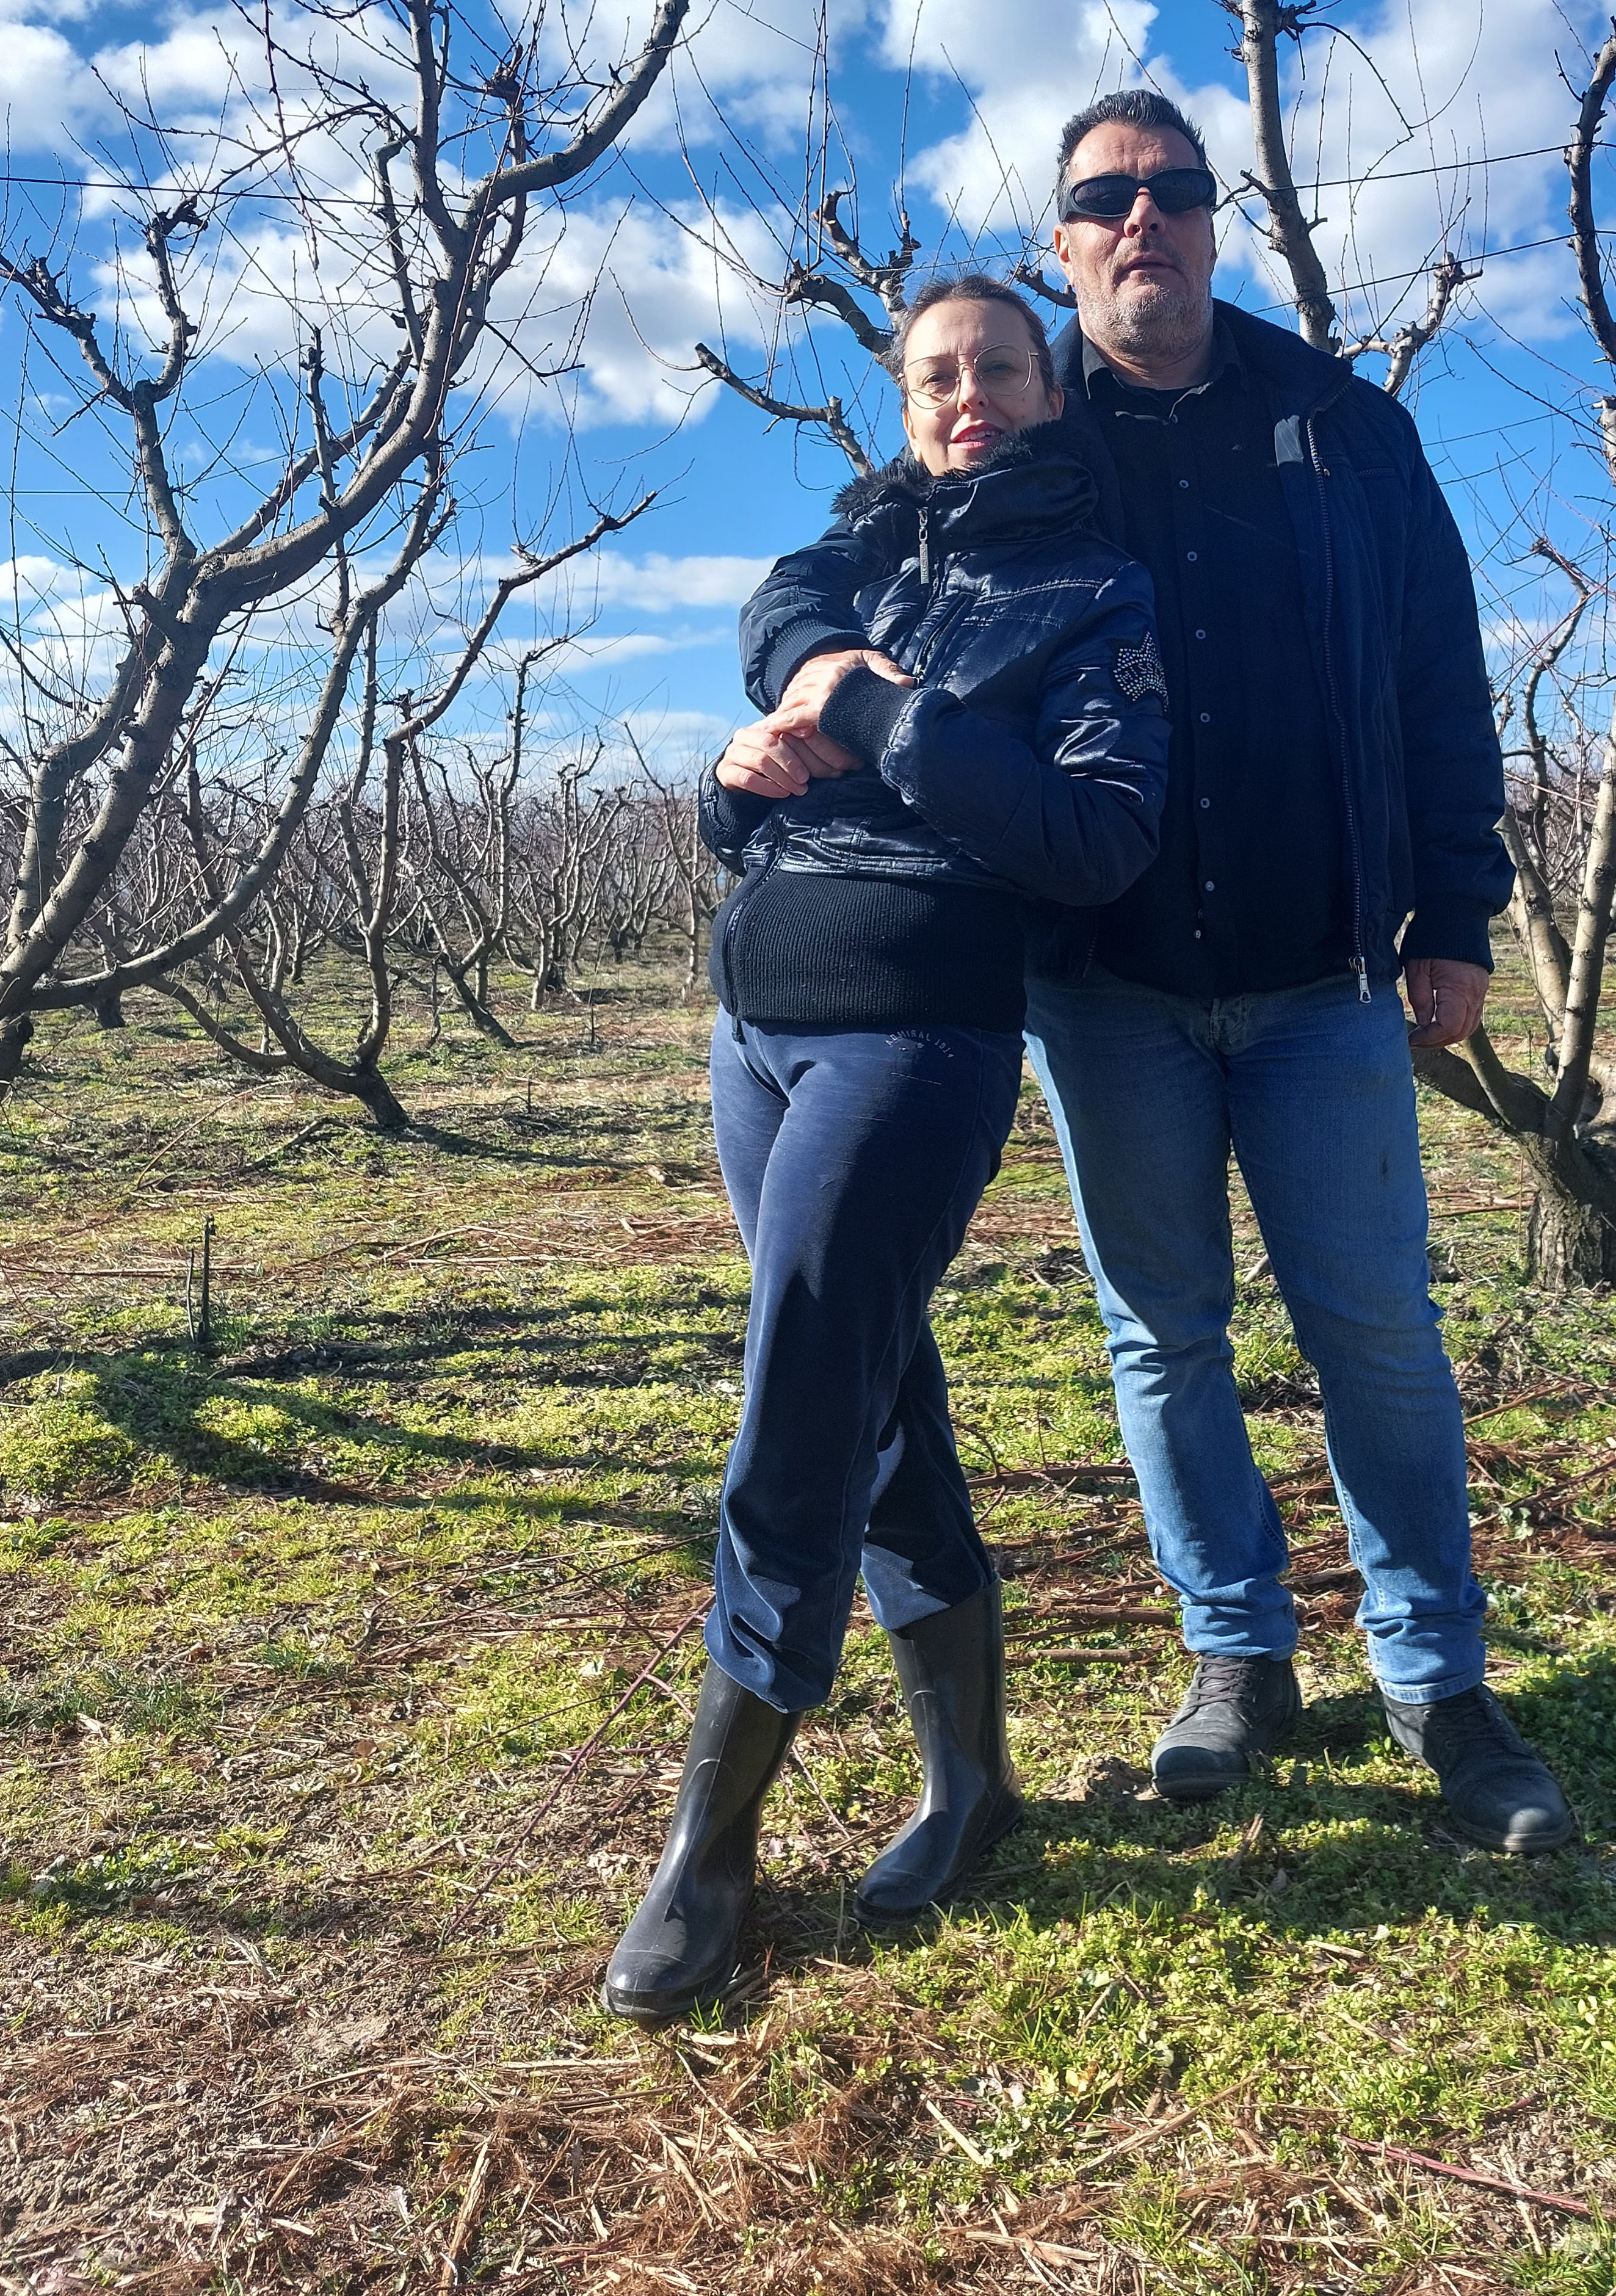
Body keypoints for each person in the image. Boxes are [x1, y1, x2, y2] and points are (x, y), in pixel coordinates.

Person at [741, 92, 1575, 1858]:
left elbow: (1438, 674)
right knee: (1164, 1332)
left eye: (1175, 191)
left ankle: (1438, 1679)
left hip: (1321, 968)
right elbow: (835, 564)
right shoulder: (1020, 428)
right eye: (1106, 198)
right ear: (1063, 245)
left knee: (1376, 1332)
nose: (1145, 220)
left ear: (1214, 220)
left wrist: (1453, 911)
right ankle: (1236, 1654)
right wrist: (816, 670)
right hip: (1102, 982)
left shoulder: (1342, 428)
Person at [602, 273, 1169, 2023]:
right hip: (756, 1033)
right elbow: (774, 641)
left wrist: (884, 718)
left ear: (1048, 391)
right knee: (873, 1384)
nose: (967, 394)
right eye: (936, 375)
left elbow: (1100, 836)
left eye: (997, 367)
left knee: (798, 1399)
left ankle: (710, 1846)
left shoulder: (1092, 592)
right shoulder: (853, 556)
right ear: (904, 401)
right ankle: (973, 1784)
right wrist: (741, 769)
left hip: (916, 1036)